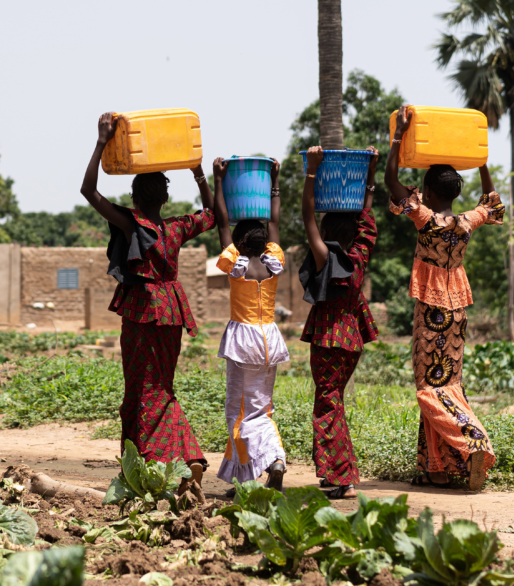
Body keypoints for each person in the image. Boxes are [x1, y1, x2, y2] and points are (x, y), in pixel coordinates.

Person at [80, 112, 216, 501]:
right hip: (171, 310)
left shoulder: (132, 223)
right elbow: (211, 215)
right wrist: (199, 174)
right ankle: (185, 456)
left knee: (142, 390)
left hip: (142, 309)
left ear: (135, 197)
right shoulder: (174, 228)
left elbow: (89, 192)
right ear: (165, 198)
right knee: (163, 387)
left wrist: (101, 142)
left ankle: (156, 463)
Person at [384, 105, 505, 491]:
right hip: (457, 316)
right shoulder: (467, 222)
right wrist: (481, 158)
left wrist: (398, 135)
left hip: (431, 311)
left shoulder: (427, 219)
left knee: (428, 388)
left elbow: (390, 181)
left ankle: (474, 444)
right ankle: (436, 468)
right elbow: (493, 200)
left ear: (430, 192)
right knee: (447, 382)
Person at [298, 145, 380, 500]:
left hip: (330, 339)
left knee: (327, 403)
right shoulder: (358, 256)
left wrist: (312, 173)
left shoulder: (327, 257)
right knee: (334, 401)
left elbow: (306, 218)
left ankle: (339, 475)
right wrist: (370, 175)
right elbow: (367, 218)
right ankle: (340, 472)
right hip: (352, 339)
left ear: (329, 232)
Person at [211, 156, 289, 492]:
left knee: (238, 413)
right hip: (269, 339)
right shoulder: (274, 263)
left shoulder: (236, 265)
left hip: (243, 341)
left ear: (240, 245)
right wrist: (274, 181)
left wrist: (218, 181)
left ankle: (260, 470)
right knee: (262, 409)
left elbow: (222, 224)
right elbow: (274, 222)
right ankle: (263, 467)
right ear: (264, 244)